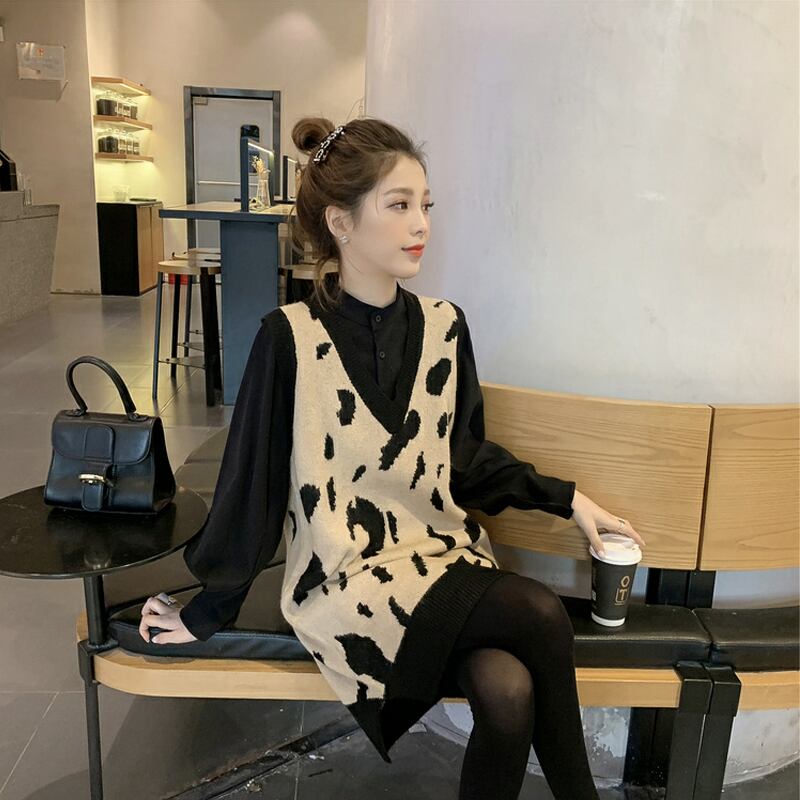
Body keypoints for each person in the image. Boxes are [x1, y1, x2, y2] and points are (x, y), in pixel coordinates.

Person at [139, 116, 645, 799]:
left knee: (508, 693)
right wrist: (207, 610)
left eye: (425, 205)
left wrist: (570, 500)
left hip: (440, 555)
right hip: (346, 577)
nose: (422, 225)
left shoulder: (445, 327)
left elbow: (465, 460)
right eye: (399, 205)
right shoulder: (288, 339)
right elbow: (252, 487)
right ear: (341, 223)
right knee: (539, 611)